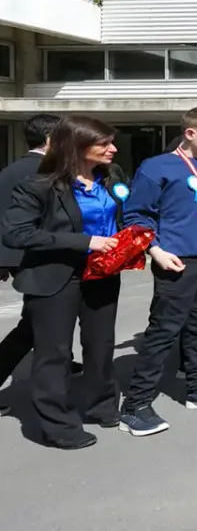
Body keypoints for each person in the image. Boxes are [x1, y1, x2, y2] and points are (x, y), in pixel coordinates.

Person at [119, 107, 197, 437]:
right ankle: (136, 405)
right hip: (177, 261)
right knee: (163, 332)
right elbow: (136, 216)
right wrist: (155, 250)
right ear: (190, 134)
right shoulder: (156, 167)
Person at [0, 117, 126, 449]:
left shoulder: (108, 178)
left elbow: (120, 216)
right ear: (77, 146)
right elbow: (17, 234)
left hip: (102, 275)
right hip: (54, 276)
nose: (113, 149)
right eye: (104, 143)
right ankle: (58, 426)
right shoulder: (38, 184)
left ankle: (103, 406)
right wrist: (85, 242)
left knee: (101, 347)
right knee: (53, 354)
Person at [0, 113, 63, 405]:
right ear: (51, 140)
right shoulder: (46, 172)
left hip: (16, 255)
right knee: (34, 323)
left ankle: (63, 360)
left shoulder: (12, 169)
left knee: (45, 318)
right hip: (36, 256)